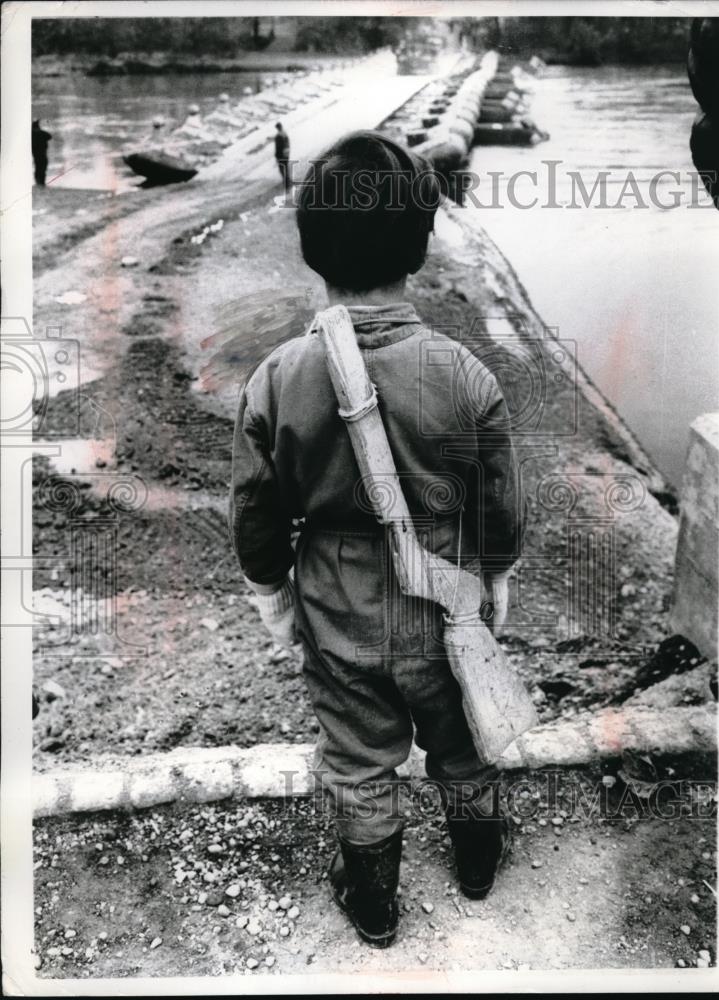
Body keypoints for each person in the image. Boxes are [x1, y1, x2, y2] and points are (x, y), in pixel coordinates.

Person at [229, 131, 523, 948]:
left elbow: (254, 507)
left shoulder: (280, 375)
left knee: (358, 760)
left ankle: (375, 906)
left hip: (336, 600)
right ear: (420, 247)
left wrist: (272, 595)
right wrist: (495, 575)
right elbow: (497, 500)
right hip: (445, 599)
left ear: (312, 247)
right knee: (461, 737)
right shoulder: (465, 372)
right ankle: (475, 863)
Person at [32, 119, 52, 187]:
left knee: (38, 168)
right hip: (42, 154)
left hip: (35, 154)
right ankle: (41, 183)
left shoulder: (31, 134)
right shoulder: (41, 133)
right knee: (42, 168)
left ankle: (38, 182)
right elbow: (49, 136)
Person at [273, 122, 291, 196]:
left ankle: (287, 185)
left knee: (282, 170)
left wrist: (277, 156)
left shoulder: (278, 136)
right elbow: (287, 144)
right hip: (286, 154)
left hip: (281, 155)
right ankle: (288, 182)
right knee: (286, 168)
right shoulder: (285, 133)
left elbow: (278, 148)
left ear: (277, 128)